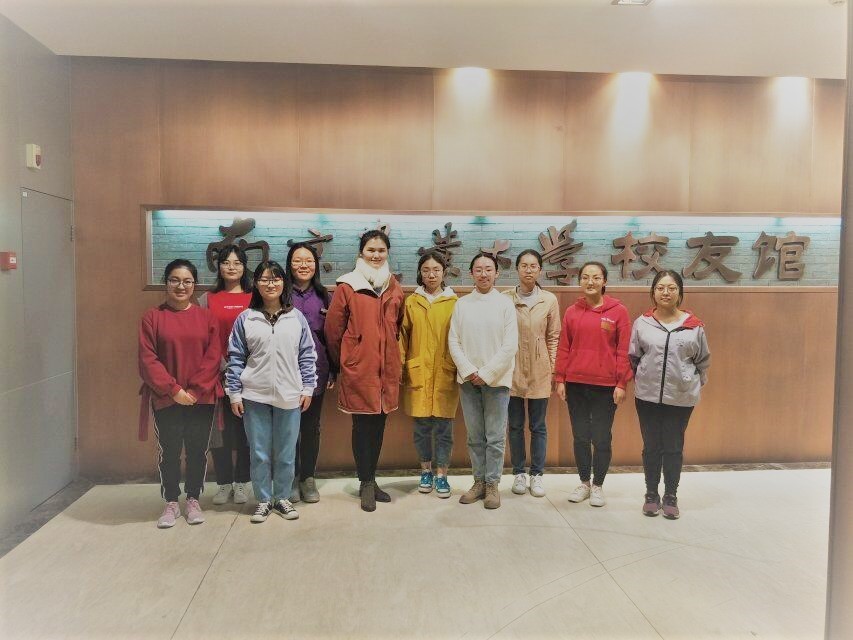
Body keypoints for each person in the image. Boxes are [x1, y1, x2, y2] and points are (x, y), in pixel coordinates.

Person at [225, 261, 317, 523]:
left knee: (286, 452)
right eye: (264, 279)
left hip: (290, 394)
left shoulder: (296, 317)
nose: (270, 284)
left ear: (283, 283)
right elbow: (235, 357)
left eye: (276, 279)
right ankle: (264, 500)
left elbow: (307, 355)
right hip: (254, 395)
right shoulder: (246, 318)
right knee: (259, 452)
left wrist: (308, 387)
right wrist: (234, 393)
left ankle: (282, 498)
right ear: (256, 284)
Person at [325, 230, 405, 513]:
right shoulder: (348, 286)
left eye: (381, 250)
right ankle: (366, 482)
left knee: (379, 426)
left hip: (386, 371)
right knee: (362, 427)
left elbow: (397, 326)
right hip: (359, 370)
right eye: (371, 250)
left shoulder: (394, 286)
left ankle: (371, 478)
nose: (376, 255)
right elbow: (333, 331)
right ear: (361, 253)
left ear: (387, 253)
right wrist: (346, 361)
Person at [138, 259, 222, 529]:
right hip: (166, 397)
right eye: (175, 280)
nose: (181, 286)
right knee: (170, 450)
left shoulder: (206, 317)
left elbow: (213, 357)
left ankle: (194, 499)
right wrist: (173, 389)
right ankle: (171, 501)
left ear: (194, 285)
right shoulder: (153, 317)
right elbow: (148, 359)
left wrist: (195, 390)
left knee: (198, 450)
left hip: (201, 397)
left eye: (187, 281)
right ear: (166, 283)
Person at [629, 270, 710, 519]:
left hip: (681, 398)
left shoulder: (694, 326)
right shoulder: (642, 323)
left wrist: (691, 383)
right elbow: (634, 356)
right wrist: (644, 378)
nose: (666, 292)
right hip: (647, 397)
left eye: (672, 288)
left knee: (674, 447)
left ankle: (671, 496)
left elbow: (702, 361)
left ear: (680, 292)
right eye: (661, 288)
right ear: (653, 292)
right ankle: (651, 494)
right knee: (651, 446)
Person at [555, 261, 631, 508]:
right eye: (585, 277)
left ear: (604, 281)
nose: (590, 282)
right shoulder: (572, 311)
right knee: (580, 436)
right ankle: (584, 483)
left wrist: (621, 383)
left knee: (601, 437)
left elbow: (624, 350)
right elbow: (564, 347)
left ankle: (598, 485)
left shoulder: (618, 311)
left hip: (605, 386)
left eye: (596, 277)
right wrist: (560, 378)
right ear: (580, 281)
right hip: (575, 384)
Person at [448, 252, 518, 509]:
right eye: (478, 269)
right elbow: (453, 340)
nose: (484, 274)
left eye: (489, 269)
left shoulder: (505, 304)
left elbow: (510, 345)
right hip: (468, 381)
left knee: (495, 437)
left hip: (497, 381)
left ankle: (492, 484)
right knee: (475, 436)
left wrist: (487, 373)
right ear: (471, 274)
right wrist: (469, 371)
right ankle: (478, 481)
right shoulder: (462, 304)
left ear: (497, 273)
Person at [400, 251, 459, 498]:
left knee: (444, 429)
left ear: (444, 272)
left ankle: (442, 474)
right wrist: (401, 367)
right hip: (419, 372)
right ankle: (425, 471)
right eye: (426, 270)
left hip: (446, 372)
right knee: (421, 427)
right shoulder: (411, 302)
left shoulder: (454, 302)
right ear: (420, 273)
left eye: (436, 270)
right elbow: (402, 337)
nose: (431, 275)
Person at [198, 245, 253, 507]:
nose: (232, 267)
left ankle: (242, 481)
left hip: (250, 376)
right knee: (218, 432)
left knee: (246, 432)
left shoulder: (255, 297)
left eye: (237, 262)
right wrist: (220, 366)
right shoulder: (206, 299)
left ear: (244, 267)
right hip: (216, 375)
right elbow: (201, 337)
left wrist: (244, 369)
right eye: (226, 262)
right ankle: (223, 483)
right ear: (218, 266)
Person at [504, 249, 560, 498]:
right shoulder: (505, 298)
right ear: (517, 269)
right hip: (512, 368)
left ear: (540, 270)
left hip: (540, 369)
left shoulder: (549, 300)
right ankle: (519, 473)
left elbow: (554, 336)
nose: (528, 270)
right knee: (515, 425)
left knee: (538, 426)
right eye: (524, 265)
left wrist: (553, 368)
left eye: (533, 266)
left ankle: (537, 474)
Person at [286, 242, 336, 504]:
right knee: (287, 426)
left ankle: (307, 477)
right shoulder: (280, 293)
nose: (303, 265)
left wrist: (333, 370)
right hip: (284, 371)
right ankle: (290, 477)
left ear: (315, 265)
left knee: (311, 426)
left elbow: (333, 337)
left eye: (308, 260)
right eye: (297, 260)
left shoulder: (325, 296)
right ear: (289, 264)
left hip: (316, 370)